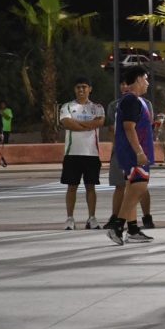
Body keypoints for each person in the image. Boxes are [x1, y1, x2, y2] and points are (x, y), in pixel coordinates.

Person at [106, 66, 156, 245]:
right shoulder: (130, 101)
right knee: (139, 188)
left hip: (136, 153)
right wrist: (139, 152)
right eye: (145, 78)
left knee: (132, 189)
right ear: (137, 80)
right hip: (134, 154)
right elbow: (129, 128)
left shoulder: (138, 101)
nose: (148, 82)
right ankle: (117, 226)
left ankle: (133, 229)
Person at [59, 77, 105, 230]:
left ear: (90, 89)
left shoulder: (97, 107)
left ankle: (91, 218)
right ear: (74, 89)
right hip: (72, 153)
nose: (81, 90)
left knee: (90, 187)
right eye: (78, 87)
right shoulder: (67, 106)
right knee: (72, 187)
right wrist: (87, 126)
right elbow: (67, 123)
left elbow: (99, 122)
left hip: (91, 154)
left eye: (84, 87)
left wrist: (78, 124)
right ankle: (70, 218)